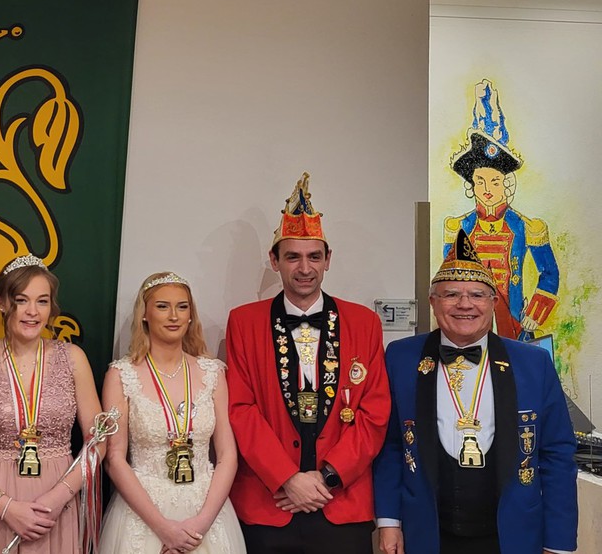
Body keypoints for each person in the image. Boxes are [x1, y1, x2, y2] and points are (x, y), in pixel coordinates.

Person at [373, 229, 578, 554]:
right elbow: (391, 446)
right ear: (433, 302)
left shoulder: (533, 363)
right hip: (426, 531)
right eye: (451, 294)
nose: (465, 304)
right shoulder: (401, 357)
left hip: (511, 534)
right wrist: (388, 522)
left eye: (477, 295)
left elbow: (557, 455)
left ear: (493, 302)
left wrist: (558, 542)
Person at [225, 172, 390, 553]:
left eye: (314, 256)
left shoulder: (364, 322)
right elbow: (240, 409)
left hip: (341, 501)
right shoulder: (244, 322)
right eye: (292, 257)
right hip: (269, 503)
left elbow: (375, 412)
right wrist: (287, 478)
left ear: (328, 260)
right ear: (274, 260)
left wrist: (328, 477)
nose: (304, 268)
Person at [0, 255, 104, 553]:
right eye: (21, 300)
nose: (33, 312)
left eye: (42, 301)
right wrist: (5, 507)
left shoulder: (73, 358)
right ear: (1, 301)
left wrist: (58, 498)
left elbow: (99, 442)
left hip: (58, 506)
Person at [99, 272, 247, 554]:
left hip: (206, 512)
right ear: (145, 314)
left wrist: (200, 525)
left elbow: (227, 455)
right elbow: (115, 459)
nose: (174, 316)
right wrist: (163, 528)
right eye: (162, 306)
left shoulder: (213, 372)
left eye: (182, 306)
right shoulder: (121, 375)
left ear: (191, 315)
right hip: (144, 515)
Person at [444, 79, 559, 340]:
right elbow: (449, 279)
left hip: (514, 322)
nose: (487, 188)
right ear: (472, 186)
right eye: (480, 181)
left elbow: (549, 273)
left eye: (495, 181)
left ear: (506, 184)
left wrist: (536, 312)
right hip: (469, 326)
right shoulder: (460, 227)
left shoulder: (527, 227)